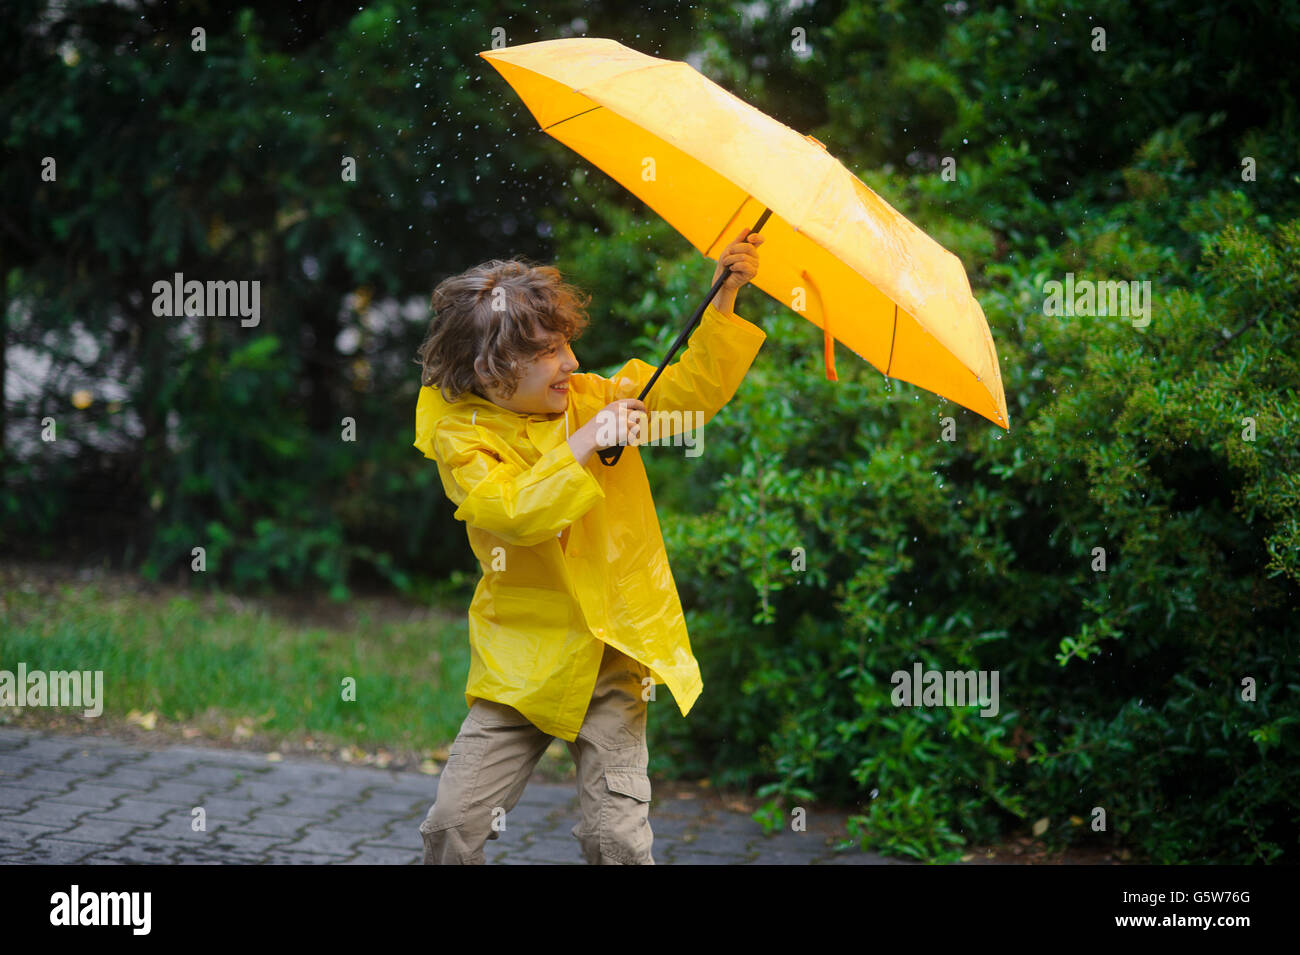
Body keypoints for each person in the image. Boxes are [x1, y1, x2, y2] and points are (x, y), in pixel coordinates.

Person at [411, 229, 765, 864]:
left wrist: (723, 303)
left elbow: (689, 397)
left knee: (616, 839)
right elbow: (512, 513)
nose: (571, 363)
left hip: (613, 655)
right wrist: (582, 445)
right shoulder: (459, 436)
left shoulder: (598, 401)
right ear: (491, 370)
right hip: (522, 659)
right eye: (549, 352)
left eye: (568, 344)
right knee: (452, 824)